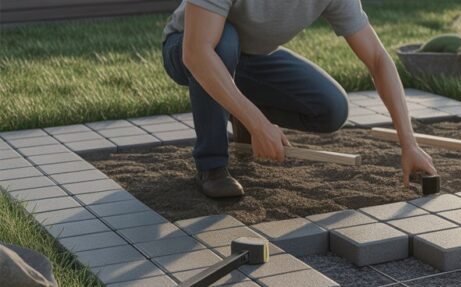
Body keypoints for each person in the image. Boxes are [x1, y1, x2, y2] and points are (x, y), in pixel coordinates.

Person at [161, 0, 436, 198]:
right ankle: (212, 165)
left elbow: (377, 59)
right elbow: (196, 52)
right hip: (188, 47)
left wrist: (409, 143)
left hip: (253, 58)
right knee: (224, 42)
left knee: (331, 108)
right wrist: (259, 125)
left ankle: (238, 111)